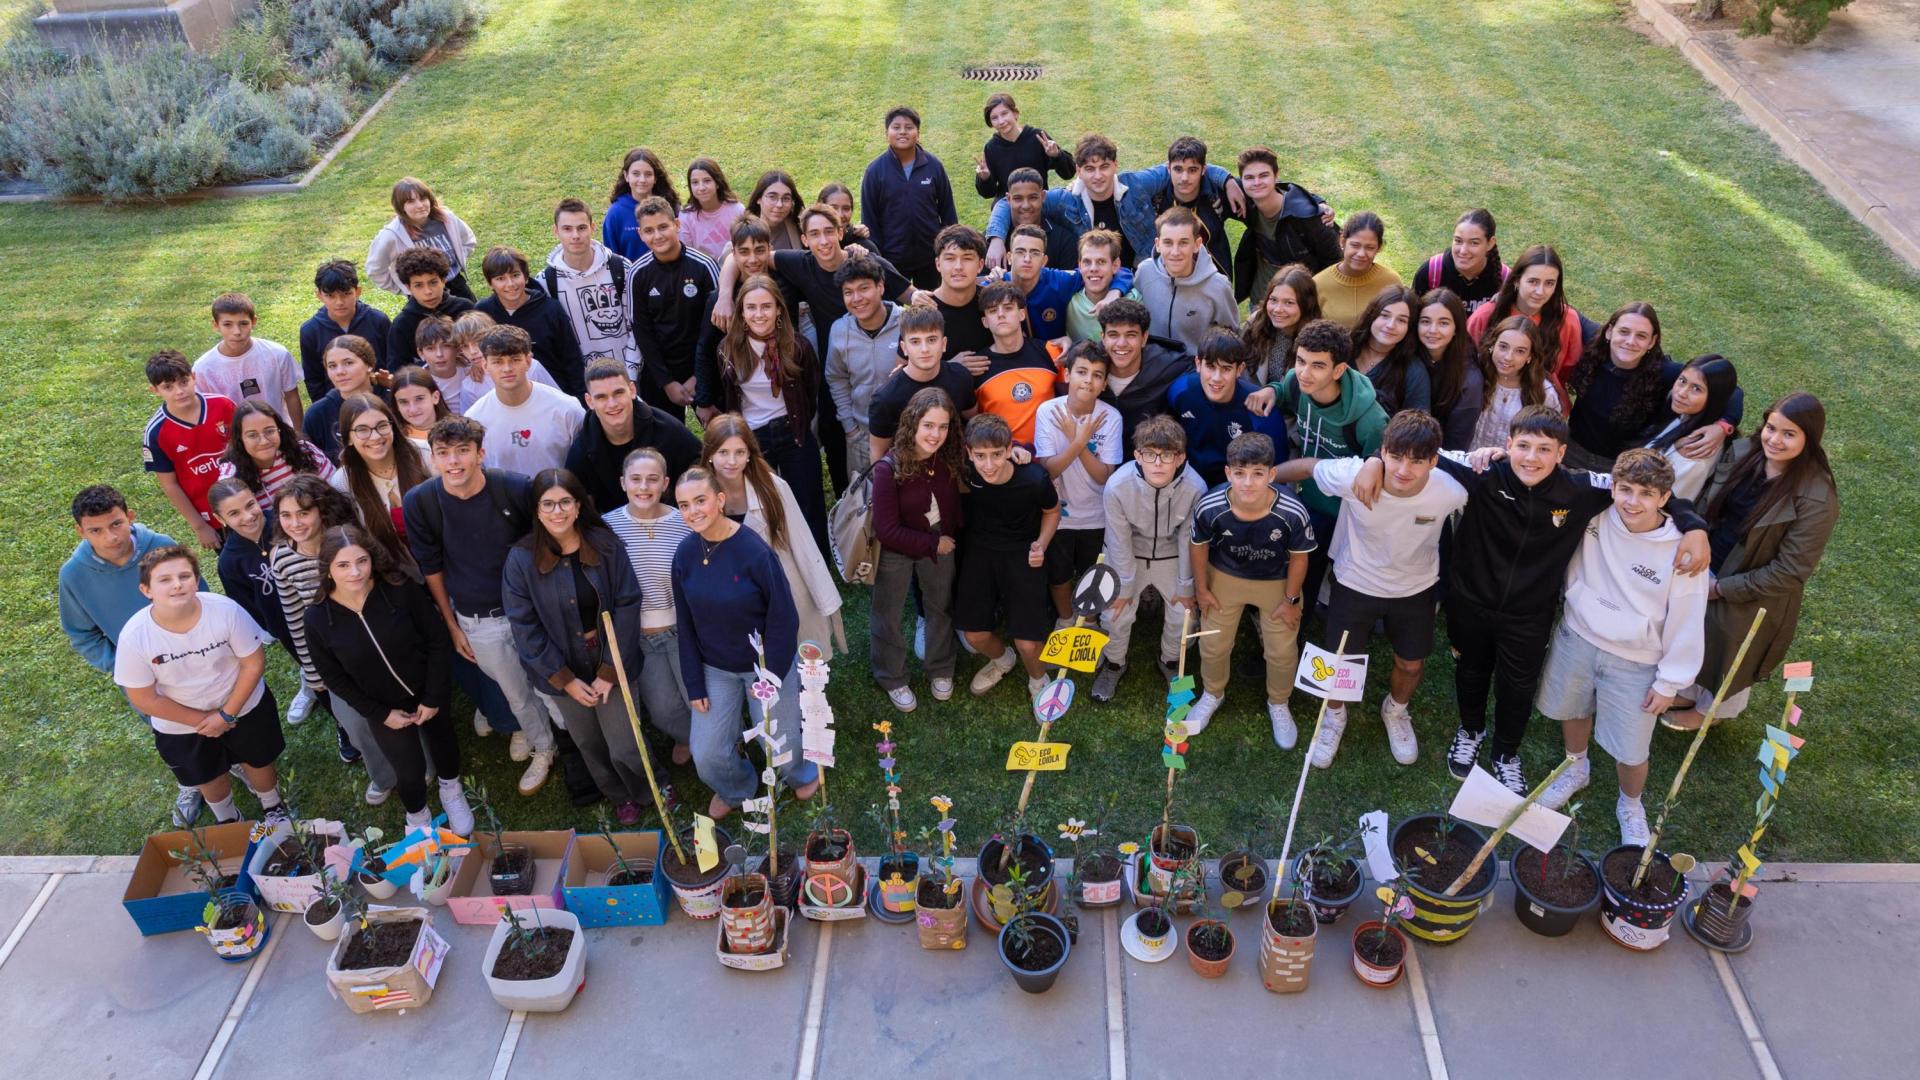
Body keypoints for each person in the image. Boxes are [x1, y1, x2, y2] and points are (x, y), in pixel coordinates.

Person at [1348, 405, 1711, 794]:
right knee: (1470, 672)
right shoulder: (1482, 473)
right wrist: (1372, 460)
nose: (1531, 457)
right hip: (1470, 603)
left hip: (1529, 614)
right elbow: (1421, 451)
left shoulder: (1582, 489)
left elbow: (1641, 488)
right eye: (1523, 446)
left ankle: (1506, 752)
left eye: (1543, 449)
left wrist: (1694, 525)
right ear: (1507, 444)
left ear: (1560, 453)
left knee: (1517, 687)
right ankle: (1471, 730)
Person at [1531, 450, 1708, 846]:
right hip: (1578, 634)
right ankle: (1576, 768)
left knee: (1631, 748)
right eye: (1624, 489)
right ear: (1612, 487)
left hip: (1637, 659)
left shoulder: (1682, 550)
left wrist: (1670, 682)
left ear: (1665, 499)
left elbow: (1688, 618)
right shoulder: (1592, 516)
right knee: (1570, 708)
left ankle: (1631, 804)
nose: (1632, 501)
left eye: (1646, 493)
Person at [1272, 411, 1468, 768]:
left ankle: (1396, 710)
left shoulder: (1452, 490)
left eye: (1417, 461)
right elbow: (1306, 466)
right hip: (1354, 582)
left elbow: (1490, 470)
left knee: (1410, 664)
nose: (1403, 470)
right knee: (1338, 661)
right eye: (1395, 457)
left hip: (1416, 588)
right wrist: (1260, 481)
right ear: (1382, 452)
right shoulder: (1354, 475)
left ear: (1434, 462)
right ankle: (1334, 716)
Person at [404, 416, 559, 794]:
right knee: (516, 694)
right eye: (443, 453)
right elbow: (431, 567)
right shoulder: (421, 502)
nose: (453, 462)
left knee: (553, 686)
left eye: (462, 451)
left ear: (480, 453)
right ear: (433, 459)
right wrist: (453, 625)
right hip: (478, 619)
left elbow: (544, 543)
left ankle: (578, 740)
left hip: (531, 612)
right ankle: (544, 746)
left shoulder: (514, 489)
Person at [1667, 393, 1837, 731]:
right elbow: (1706, 502)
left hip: (1753, 587)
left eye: (1789, 434)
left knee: (1731, 645)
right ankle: (1687, 690)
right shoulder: (1744, 453)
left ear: (1809, 438)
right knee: (1692, 628)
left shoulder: (1817, 498)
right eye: (1772, 428)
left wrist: (1722, 589)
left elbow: (1790, 571)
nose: (1774, 439)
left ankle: (1711, 710)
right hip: (1711, 558)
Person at [716, 207, 913, 491]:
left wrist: (917, 296)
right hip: (834, 362)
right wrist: (724, 294)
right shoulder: (800, 263)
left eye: (828, 232)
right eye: (814, 234)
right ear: (805, 240)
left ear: (840, 233)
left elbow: (906, 292)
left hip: (876, 355)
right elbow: (745, 256)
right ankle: (848, 502)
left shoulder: (862, 259)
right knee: (836, 438)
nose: (823, 241)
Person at [504, 470, 658, 825]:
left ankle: (649, 786)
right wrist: (566, 680)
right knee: (589, 741)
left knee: (625, 740)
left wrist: (609, 670)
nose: (557, 512)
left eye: (565, 502)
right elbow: (524, 626)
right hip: (560, 667)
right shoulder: (520, 560)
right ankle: (618, 794)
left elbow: (628, 602)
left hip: (609, 655)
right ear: (537, 510)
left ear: (578, 506)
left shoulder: (605, 544)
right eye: (548, 504)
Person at [670, 466, 822, 818]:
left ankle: (800, 773)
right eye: (683, 505)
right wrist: (694, 682)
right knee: (705, 754)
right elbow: (686, 623)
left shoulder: (754, 552)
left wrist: (769, 676)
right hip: (715, 669)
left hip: (764, 665)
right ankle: (736, 787)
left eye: (700, 501)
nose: (693, 511)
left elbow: (784, 619)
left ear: (720, 500)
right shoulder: (684, 555)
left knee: (779, 745)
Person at [306, 525, 474, 834]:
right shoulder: (317, 618)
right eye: (343, 565)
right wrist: (379, 713)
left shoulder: (399, 588)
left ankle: (451, 790)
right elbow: (332, 676)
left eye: (362, 561)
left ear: (372, 558)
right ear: (327, 568)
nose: (355, 572)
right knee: (408, 771)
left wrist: (434, 696)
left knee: (443, 742)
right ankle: (418, 817)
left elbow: (436, 638)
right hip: (382, 705)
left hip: (428, 687)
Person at [60, 486, 209, 825]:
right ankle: (191, 781)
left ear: (130, 517)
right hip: (144, 678)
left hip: (193, 658)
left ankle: (230, 763)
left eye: (115, 524)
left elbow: (200, 596)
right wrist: (124, 669)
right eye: (95, 530)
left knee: (211, 711)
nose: (109, 537)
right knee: (170, 731)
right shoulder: (73, 575)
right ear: (80, 531)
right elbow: (82, 635)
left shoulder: (162, 547)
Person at [115, 545, 288, 825]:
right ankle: (228, 819)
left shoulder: (225, 610)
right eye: (165, 580)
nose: (177, 585)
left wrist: (225, 715)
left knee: (259, 761)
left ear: (196, 580)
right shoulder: (134, 637)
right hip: (182, 725)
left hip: (244, 706)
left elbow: (252, 663)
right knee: (208, 776)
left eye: (185, 576)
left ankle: (273, 806)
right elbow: (145, 699)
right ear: (146, 590)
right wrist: (205, 721)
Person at [1245, 318, 1389, 614]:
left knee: (1324, 576)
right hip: (1305, 496)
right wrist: (1271, 389)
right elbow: (1283, 392)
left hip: (1342, 512)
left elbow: (1382, 459)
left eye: (1317, 365)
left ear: (1339, 370)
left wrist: (1376, 460)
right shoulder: (1296, 384)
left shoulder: (1369, 419)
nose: (1304, 372)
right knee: (1294, 567)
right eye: (1300, 361)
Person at [1184, 433, 1316, 746]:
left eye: (1257, 474)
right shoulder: (1211, 505)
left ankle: (1279, 702)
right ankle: (1212, 693)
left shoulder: (1292, 511)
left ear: (1272, 475)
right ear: (1228, 473)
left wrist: (1292, 598)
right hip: (1225, 576)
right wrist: (1202, 589)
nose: (1247, 483)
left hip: (1275, 580)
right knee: (1213, 644)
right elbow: (1198, 546)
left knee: (1282, 649)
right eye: (1240, 473)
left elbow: (1300, 558)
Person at [696, 276, 830, 554]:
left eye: (766, 306)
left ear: (779, 309)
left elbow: (810, 392)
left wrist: (800, 423)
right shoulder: (728, 350)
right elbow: (728, 395)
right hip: (752, 437)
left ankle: (818, 567)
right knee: (760, 505)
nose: (759, 314)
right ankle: (769, 561)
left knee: (808, 503)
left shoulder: (797, 347)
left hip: (793, 432)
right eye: (752, 307)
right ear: (741, 312)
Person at [986, 132, 1243, 272]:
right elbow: (1007, 203)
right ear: (1078, 171)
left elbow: (1183, 164)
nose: (1097, 176)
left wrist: (1227, 179)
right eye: (1089, 168)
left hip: (1143, 272)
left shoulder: (1137, 184)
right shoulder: (1066, 200)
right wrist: (996, 239)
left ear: (1115, 166)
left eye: (1104, 167)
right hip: (1096, 276)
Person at [701, 415, 846, 656]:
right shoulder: (701, 495)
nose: (732, 461)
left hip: (780, 580)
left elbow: (803, 543)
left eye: (739, 452)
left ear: (750, 453)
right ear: (709, 455)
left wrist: (824, 598)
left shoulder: (772, 487)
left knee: (796, 655)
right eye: (723, 452)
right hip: (732, 591)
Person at [1091, 415, 1206, 703]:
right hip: (1128, 552)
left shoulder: (1195, 487)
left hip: (1172, 553)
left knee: (1184, 614)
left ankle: (1169, 661)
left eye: (1166, 455)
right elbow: (1119, 540)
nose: (1158, 463)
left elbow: (1186, 538)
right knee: (1115, 612)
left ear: (1180, 458)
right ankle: (1115, 663)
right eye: (1150, 454)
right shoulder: (1117, 486)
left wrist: (1185, 585)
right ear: (1137, 455)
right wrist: (1125, 589)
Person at [270, 477, 378, 769]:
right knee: (355, 718)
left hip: (374, 639)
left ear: (322, 511)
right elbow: (294, 617)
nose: (296, 523)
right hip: (333, 650)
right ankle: (377, 768)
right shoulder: (281, 558)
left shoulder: (349, 541)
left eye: (304, 513)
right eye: (286, 515)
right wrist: (311, 670)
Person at [869, 388, 966, 711]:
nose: (935, 434)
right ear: (913, 423)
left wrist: (1022, 450)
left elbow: (990, 447)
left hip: (940, 542)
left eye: (942, 426)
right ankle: (892, 677)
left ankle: (940, 667)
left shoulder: (948, 456)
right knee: (889, 613)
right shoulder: (888, 468)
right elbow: (886, 530)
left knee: (940, 606)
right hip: (900, 547)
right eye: (928, 425)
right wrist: (933, 544)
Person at [954, 413, 1060, 698]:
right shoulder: (966, 472)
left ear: (1009, 449)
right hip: (981, 550)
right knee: (974, 635)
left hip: (1022, 552)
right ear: (969, 453)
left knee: (1028, 644)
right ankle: (1002, 659)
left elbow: (1052, 511)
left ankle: (1038, 680)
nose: (988, 465)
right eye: (980, 455)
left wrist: (1041, 543)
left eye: (997, 454)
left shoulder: (1034, 479)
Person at [602, 448, 695, 770]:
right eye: (636, 479)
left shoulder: (684, 521)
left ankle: (721, 743)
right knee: (664, 710)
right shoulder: (608, 527)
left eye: (652, 480)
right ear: (623, 483)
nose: (644, 487)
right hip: (640, 636)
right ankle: (689, 737)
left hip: (683, 630)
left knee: (696, 698)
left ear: (665, 483)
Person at [1565, 302, 1740, 471]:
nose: (1630, 341)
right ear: (1609, 331)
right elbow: (1562, 308)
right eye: (1624, 331)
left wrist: (1723, 426)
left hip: (1616, 465)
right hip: (1568, 447)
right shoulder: (1593, 342)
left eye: (1641, 336)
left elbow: (1731, 390)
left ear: (1652, 341)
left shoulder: (1664, 372)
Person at [1036, 341, 1123, 622]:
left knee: (1093, 576)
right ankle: (1064, 619)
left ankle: (1090, 623)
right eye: (1082, 372)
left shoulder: (1111, 418)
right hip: (1058, 516)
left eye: (1097, 375)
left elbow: (1104, 477)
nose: (1089, 380)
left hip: (1097, 517)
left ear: (1105, 383)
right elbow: (1049, 470)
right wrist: (1079, 440)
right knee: (1059, 575)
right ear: (1067, 374)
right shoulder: (1048, 412)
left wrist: (1080, 442)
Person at [566, 357, 702, 514]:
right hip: (612, 531)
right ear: (589, 401)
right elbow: (575, 505)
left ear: (632, 390)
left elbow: (701, 467)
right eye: (601, 397)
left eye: (618, 393)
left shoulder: (668, 431)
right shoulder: (582, 450)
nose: (612, 404)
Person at [625, 196, 720, 419]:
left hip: (703, 364)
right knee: (663, 442)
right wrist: (666, 382)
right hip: (660, 371)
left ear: (677, 225)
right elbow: (642, 330)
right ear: (640, 234)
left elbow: (717, 326)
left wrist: (699, 376)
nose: (657, 236)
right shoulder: (638, 273)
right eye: (649, 230)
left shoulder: (704, 266)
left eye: (663, 227)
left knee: (719, 433)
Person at [1168, 327, 1289, 487]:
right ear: (1198, 364)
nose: (1216, 378)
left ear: (1239, 369)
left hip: (1239, 490)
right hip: (1188, 484)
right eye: (1210, 366)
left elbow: (1276, 471)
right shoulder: (1180, 391)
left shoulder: (1260, 411)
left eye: (1226, 369)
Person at [142, 350, 236, 550]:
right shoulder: (156, 432)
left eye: (183, 382)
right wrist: (200, 526)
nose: (179, 391)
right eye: (168, 387)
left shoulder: (223, 406)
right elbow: (170, 485)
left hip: (248, 501)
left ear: (194, 377)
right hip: (213, 517)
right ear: (155, 390)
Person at [466, 325, 587, 477]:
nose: (507, 368)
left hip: (559, 498)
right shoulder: (475, 419)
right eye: (497, 362)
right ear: (485, 365)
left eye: (515, 360)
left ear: (528, 361)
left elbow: (587, 466)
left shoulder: (567, 408)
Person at [860, 105, 960, 289]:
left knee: (932, 308)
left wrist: (948, 248)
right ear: (886, 133)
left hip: (930, 256)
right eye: (896, 127)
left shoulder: (933, 166)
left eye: (909, 127)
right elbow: (869, 219)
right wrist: (878, 258)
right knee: (894, 314)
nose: (902, 132)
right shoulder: (875, 171)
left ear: (918, 133)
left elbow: (947, 211)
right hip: (891, 259)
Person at [208, 478, 302, 672]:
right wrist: (273, 626)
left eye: (250, 505)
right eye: (234, 513)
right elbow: (248, 606)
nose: (248, 516)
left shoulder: (285, 524)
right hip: (289, 630)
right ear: (219, 519)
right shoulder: (229, 562)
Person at [825, 252, 905, 476]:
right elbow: (836, 377)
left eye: (863, 288)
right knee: (866, 505)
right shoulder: (840, 331)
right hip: (862, 435)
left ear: (880, 287)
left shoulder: (906, 323)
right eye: (848, 292)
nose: (856, 298)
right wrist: (850, 428)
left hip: (906, 434)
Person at [867, 304, 978, 461]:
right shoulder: (885, 398)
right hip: (908, 478)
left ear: (944, 344)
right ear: (904, 348)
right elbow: (878, 456)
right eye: (915, 341)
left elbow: (974, 423)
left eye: (931, 339)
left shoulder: (961, 378)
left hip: (955, 471)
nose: (924, 349)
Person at [330, 393, 430, 566]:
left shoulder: (424, 454)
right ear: (348, 438)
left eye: (382, 426)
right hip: (392, 572)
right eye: (362, 430)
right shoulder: (343, 481)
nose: (375, 437)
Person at [475, 245, 588, 398]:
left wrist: (580, 400)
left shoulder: (550, 309)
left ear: (526, 277)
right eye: (500, 278)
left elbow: (571, 359)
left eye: (515, 275)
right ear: (490, 283)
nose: (510, 284)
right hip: (507, 396)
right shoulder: (483, 312)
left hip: (554, 393)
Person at [995, 223, 1134, 346]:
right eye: (1020, 252)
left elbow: (1120, 272)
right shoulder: (996, 286)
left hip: (1054, 359)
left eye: (1035, 253)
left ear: (1044, 261)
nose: (1027, 259)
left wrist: (1114, 293)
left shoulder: (1059, 281)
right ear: (1009, 257)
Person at [1232, 146, 1339, 303]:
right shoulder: (1246, 203)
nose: (1256, 183)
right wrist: (1226, 182)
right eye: (1249, 178)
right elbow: (1206, 173)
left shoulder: (1308, 216)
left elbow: (1335, 262)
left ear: (1276, 176)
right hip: (1260, 301)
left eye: (1264, 175)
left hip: (1298, 304)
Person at [1465, 244, 1585, 382]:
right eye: (1533, 282)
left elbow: (1570, 373)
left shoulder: (1568, 320)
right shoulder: (1485, 316)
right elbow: (1466, 366)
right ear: (1517, 280)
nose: (1540, 291)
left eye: (1549, 283)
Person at [544, 197, 635, 373]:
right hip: (583, 381)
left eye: (582, 228)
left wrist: (632, 373)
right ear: (556, 231)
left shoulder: (621, 268)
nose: (575, 236)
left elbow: (637, 324)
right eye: (567, 229)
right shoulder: (546, 282)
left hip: (630, 376)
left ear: (593, 227)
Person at [1132, 207, 1237, 354]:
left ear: (1197, 244)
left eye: (1183, 243)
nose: (1175, 252)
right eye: (1168, 242)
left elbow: (1232, 338)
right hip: (1151, 364)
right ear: (1158, 244)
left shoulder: (1218, 286)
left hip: (1194, 369)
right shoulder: (1145, 272)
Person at [1640, 355, 1741, 501]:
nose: (1681, 393)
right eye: (1682, 381)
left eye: (1696, 389)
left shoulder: (1693, 453)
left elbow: (1665, 506)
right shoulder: (1686, 417)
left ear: (1715, 397)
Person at [1095, 297, 1188, 453]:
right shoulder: (1087, 365)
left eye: (1131, 335)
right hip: (1096, 462)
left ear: (1144, 338)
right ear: (1103, 337)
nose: (1121, 343)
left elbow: (1210, 373)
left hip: (1149, 464)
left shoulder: (1168, 365)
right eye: (1113, 335)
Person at [974, 281, 1062, 445]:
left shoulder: (1050, 351)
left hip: (1051, 452)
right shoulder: (978, 365)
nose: (1001, 314)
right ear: (985, 322)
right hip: (1002, 457)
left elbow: (1068, 401)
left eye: (1008, 308)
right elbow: (973, 423)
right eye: (993, 311)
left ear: (1022, 314)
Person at [194, 292, 303, 424]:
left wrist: (298, 433)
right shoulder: (203, 369)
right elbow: (204, 412)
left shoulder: (277, 354)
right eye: (228, 324)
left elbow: (291, 396)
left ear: (254, 322)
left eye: (243, 324)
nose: (237, 332)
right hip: (234, 438)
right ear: (216, 325)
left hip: (279, 431)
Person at [367, 177, 479, 299]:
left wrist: (457, 262)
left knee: (473, 317)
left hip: (456, 285)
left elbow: (468, 241)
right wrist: (403, 288)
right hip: (423, 295)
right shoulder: (391, 235)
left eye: (423, 198)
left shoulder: (447, 219)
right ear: (400, 207)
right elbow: (375, 269)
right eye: (411, 201)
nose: (420, 205)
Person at [1469, 316, 1566, 452]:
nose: (1508, 357)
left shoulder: (1544, 393)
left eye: (1520, 351)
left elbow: (1549, 442)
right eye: (1503, 347)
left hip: (1513, 468)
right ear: (1492, 345)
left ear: (1530, 356)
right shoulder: (1472, 373)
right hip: (1466, 461)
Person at [299, 260, 391, 400]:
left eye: (346, 294)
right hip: (337, 404)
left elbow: (393, 362)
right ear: (319, 295)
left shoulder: (378, 321)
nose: (339, 302)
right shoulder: (310, 331)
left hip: (379, 399)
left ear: (358, 291)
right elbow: (313, 379)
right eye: (331, 296)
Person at [220, 399, 335, 504]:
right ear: (240, 439)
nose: (264, 441)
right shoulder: (233, 473)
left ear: (279, 430)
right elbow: (225, 496)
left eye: (269, 431)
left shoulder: (304, 452)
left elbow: (334, 493)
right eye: (252, 435)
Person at [303, 334, 390, 462]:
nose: (340, 372)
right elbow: (310, 465)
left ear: (369, 364)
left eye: (348, 363)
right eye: (332, 366)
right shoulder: (317, 414)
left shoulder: (392, 400)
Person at [387, 248, 477, 371]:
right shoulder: (402, 324)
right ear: (408, 288)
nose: (428, 292)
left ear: (443, 281)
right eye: (418, 285)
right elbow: (398, 368)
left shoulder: (465, 308)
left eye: (433, 283)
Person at [1416, 288, 1484, 451]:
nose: (1433, 330)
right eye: (1425, 321)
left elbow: (1457, 442)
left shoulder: (1469, 380)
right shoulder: (1407, 355)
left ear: (1456, 328)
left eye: (1443, 323)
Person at [1348, 285, 1432, 416]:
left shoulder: (1413, 371)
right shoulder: (1344, 348)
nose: (1391, 325)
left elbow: (1416, 427)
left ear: (1409, 327)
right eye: (1385, 315)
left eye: (1401, 320)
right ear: (1372, 315)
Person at [973, 92, 1074, 200]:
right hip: (1009, 207)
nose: (1001, 121)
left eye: (1004, 113)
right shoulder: (992, 148)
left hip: (1038, 203)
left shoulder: (1037, 137)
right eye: (994, 118)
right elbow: (988, 193)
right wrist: (985, 178)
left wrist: (1056, 155)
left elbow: (1068, 173)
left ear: (1015, 113)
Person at [1313, 212, 1402, 329]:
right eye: (1355, 245)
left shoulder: (1391, 282)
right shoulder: (1318, 284)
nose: (1361, 254)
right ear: (1342, 241)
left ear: (1379, 248)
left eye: (1370, 247)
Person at [1410, 209, 1507, 313]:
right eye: (1458, 241)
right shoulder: (1430, 272)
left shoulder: (1506, 279)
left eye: (1474, 243)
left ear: (1490, 244)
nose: (1463, 251)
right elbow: (1413, 319)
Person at [925, 224, 995, 364]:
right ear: (938, 264)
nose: (958, 267)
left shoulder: (993, 304)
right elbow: (904, 372)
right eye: (950, 258)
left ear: (980, 265)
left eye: (967, 258)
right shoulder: (925, 310)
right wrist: (951, 369)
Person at [1242, 265, 1321, 386]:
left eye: (1289, 303)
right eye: (1273, 300)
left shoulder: (1317, 339)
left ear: (1306, 305)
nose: (1278, 309)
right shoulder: (1256, 322)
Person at [604, 148, 681, 262]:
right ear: (626, 176)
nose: (642, 179)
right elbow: (611, 257)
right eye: (636, 174)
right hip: (632, 277)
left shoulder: (670, 206)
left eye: (648, 174)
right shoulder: (615, 213)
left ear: (655, 178)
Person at [1065, 229, 1139, 344]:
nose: (1093, 268)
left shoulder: (1135, 300)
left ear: (1115, 265)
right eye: (1087, 262)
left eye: (1101, 262)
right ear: (1079, 265)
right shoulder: (1069, 301)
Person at [679, 157, 747, 262]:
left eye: (707, 181)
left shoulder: (737, 210)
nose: (701, 188)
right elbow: (687, 255)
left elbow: (745, 246)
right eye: (695, 182)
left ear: (717, 183)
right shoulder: (685, 216)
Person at [391, 364, 451, 455]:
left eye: (419, 399)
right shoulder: (394, 439)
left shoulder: (458, 431)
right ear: (396, 405)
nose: (413, 409)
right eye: (403, 402)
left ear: (435, 397)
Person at [746, 170, 805, 251]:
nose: (779, 204)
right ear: (758, 198)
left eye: (786, 198)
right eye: (772, 197)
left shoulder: (800, 226)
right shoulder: (744, 231)